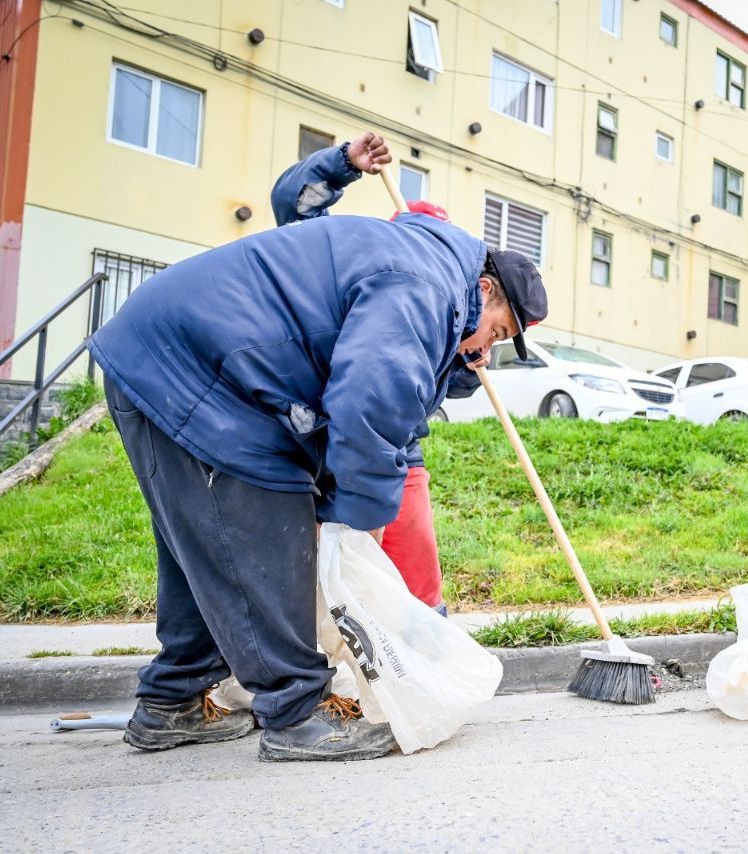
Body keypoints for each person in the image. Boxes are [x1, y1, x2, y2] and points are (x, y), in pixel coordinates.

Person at [89, 158, 549, 760]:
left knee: (208, 547)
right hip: (199, 371)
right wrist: (358, 520)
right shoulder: (424, 285)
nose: (488, 345)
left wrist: (457, 366)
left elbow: (401, 380)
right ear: (484, 290)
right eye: (497, 331)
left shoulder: (426, 269)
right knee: (267, 538)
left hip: (177, 361)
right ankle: (296, 713)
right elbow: (369, 400)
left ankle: (172, 702)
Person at [269, 132, 482, 616]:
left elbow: (437, 387)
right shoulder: (357, 263)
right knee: (324, 578)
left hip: (400, 453)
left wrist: (467, 361)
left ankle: (422, 648)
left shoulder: (452, 304)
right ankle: (325, 648)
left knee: (419, 586)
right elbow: (293, 208)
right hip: (319, 444)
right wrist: (341, 162)